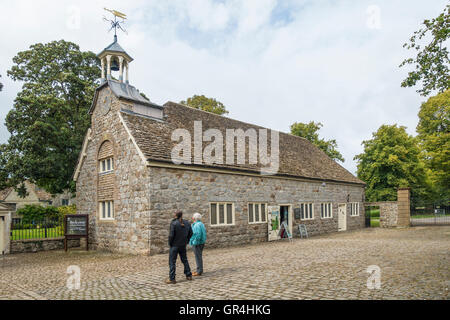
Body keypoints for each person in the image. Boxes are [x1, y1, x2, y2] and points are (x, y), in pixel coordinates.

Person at [166, 210, 193, 284]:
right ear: (181, 215)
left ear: (175, 215)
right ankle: (188, 275)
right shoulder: (187, 223)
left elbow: (171, 235)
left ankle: (172, 278)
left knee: (172, 261)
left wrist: (170, 243)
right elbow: (191, 233)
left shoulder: (173, 223)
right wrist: (186, 241)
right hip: (182, 245)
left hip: (175, 245)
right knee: (184, 260)